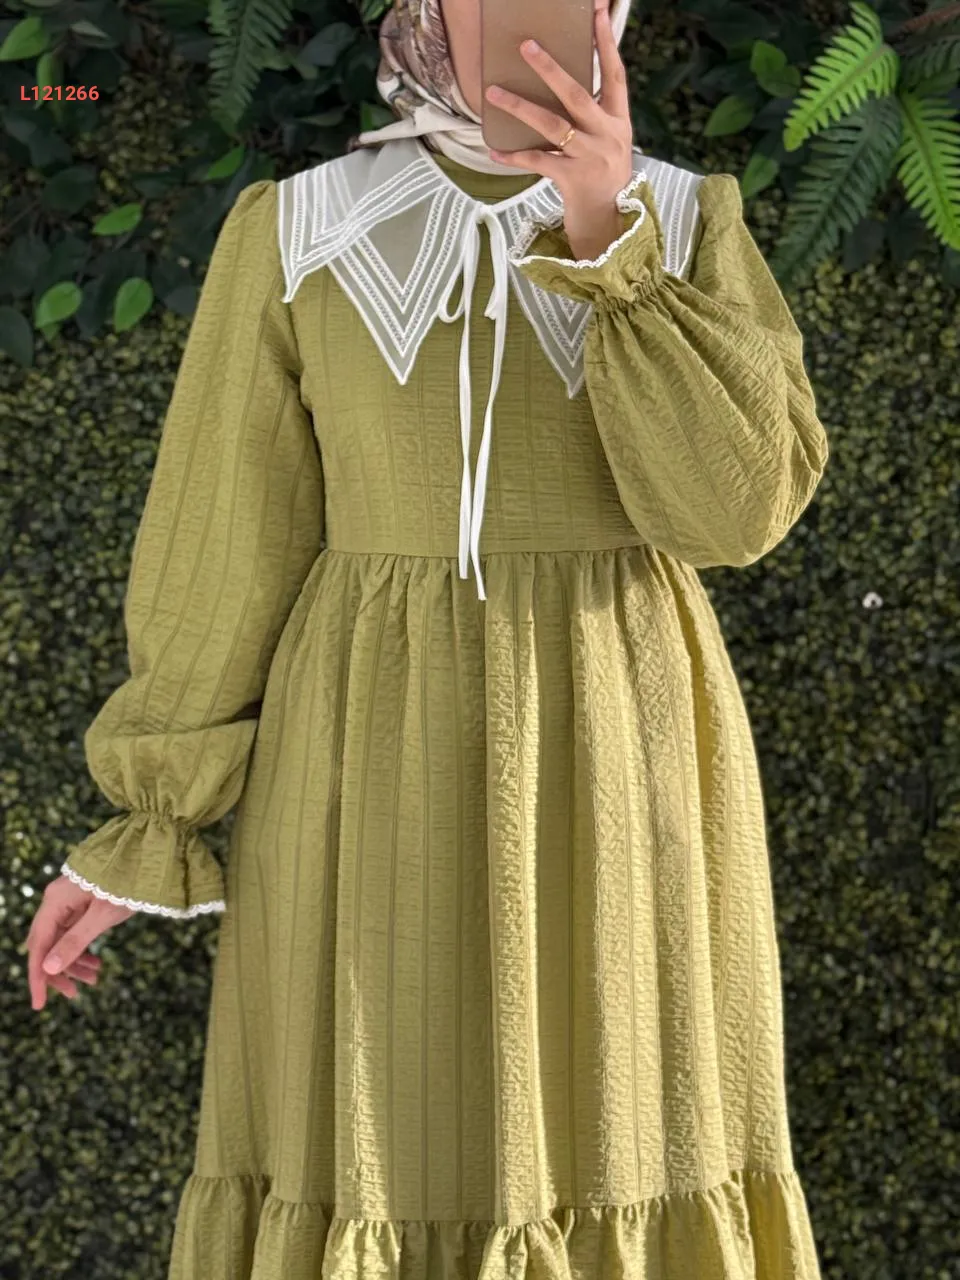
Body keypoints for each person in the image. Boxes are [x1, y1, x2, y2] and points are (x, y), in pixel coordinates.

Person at [25, 0, 829, 1273]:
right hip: (362, 750)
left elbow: (737, 513)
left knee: (625, 1115)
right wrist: (149, 819)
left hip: (615, 739)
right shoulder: (296, 230)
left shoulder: (685, 221)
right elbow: (224, 541)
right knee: (377, 1125)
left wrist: (607, 230)